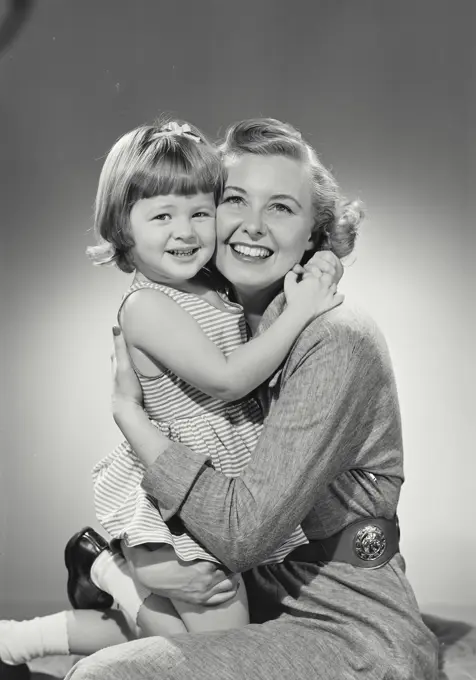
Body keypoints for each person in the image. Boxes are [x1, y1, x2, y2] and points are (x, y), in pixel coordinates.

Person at [63, 118, 439, 680]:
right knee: (130, 646)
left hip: (344, 618)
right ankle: (90, 582)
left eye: (282, 208)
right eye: (235, 200)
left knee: (110, 675)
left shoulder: (334, 337)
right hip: (256, 589)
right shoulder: (219, 307)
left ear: (315, 232)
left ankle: (102, 571)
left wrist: (129, 417)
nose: (252, 226)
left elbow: (242, 534)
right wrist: (151, 563)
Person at [0, 118, 344, 664]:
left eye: (200, 213)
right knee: (221, 648)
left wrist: (321, 258)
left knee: (199, 639)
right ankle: (112, 572)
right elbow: (229, 378)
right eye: (162, 215)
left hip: (219, 484)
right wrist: (302, 310)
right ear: (122, 226)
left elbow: (274, 261)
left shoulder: (210, 283)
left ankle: (22, 637)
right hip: (181, 499)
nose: (185, 232)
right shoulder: (147, 307)